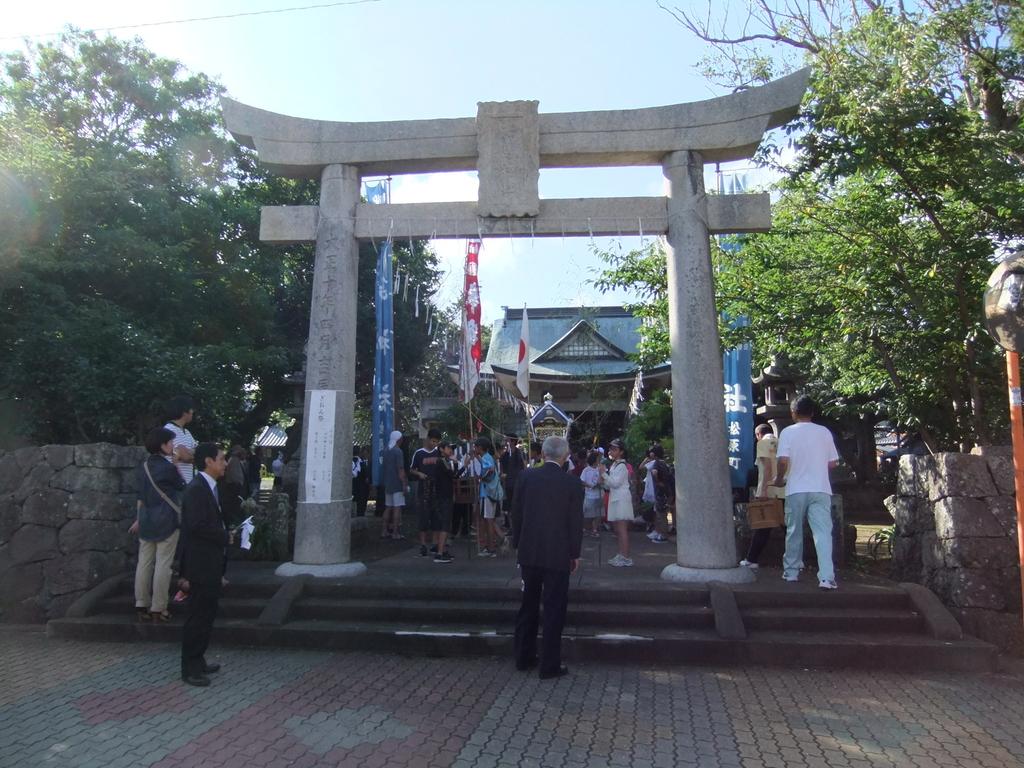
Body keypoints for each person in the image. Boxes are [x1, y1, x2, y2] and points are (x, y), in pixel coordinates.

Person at [511, 435, 584, 679]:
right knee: (554, 609)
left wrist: (517, 544)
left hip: (529, 551)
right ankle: (549, 664)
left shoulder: (526, 477)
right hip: (558, 553)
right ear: (565, 457)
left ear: (543, 454)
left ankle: (523, 656)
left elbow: (517, 513)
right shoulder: (572, 484)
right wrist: (575, 554)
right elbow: (575, 523)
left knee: (528, 605)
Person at [774, 395, 841, 590]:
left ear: (793, 413)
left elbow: (783, 460)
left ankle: (791, 572)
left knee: (794, 531)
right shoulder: (824, 432)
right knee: (823, 533)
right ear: (813, 412)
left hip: (796, 488)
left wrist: (779, 478)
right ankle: (827, 577)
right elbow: (833, 462)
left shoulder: (788, 432)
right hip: (821, 488)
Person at [179, 443, 230, 687]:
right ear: (208, 461)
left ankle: (198, 660)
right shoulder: (196, 489)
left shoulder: (209, 488)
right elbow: (196, 526)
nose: (225, 463)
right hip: (199, 563)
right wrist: (224, 535)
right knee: (196, 616)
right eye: (222, 459)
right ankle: (189, 667)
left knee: (206, 615)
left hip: (211, 561)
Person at [131, 427, 185, 623]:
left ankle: (140, 602)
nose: (172, 445)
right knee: (163, 563)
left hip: (146, 518)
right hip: (166, 519)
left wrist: (138, 518)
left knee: (144, 563)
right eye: (170, 442)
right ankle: (159, 607)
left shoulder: (143, 467)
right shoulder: (168, 468)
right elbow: (182, 486)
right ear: (162, 445)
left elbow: (141, 496)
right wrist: (176, 464)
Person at [740, 424, 786, 569]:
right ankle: (797, 560)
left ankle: (752, 559)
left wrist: (764, 490)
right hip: (785, 490)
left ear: (758, 434)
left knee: (763, 527)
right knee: (788, 528)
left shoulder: (763, 444)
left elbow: (766, 467)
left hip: (770, 491)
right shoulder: (783, 443)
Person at [410, 428, 443, 557]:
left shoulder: (439, 453)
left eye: (437, 442)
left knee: (436, 516)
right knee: (423, 517)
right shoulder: (419, 453)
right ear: (428, 439)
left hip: (436, 489)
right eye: (433, 441)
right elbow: (412, 470)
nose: (435, 444)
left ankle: (435, 543)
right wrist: (419, 474)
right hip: (423, 489)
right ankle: (423, 544)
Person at [602, 439, 633, 566]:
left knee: (621, 529)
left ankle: (625, 557)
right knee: (617, 529)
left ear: (621, 452)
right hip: (615, 498)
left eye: (614, 449)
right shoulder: (614, 465)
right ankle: (621, 554)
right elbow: (609, 484)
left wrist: (603, 474)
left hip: (621, 499)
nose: (611, 451)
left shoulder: (622, 466)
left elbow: (615, 483)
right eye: (611, 449)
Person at [430, 442, 458, 563]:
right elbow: (453, 475)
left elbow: (453, 476)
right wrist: (457, 464)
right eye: (448, 448)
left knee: (446, 523)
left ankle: (442, 550)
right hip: (443, 497)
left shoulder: (444, 462)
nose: (451, 450)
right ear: (441, 449)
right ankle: (440, 553)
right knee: (444, 525)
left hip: (445, 496)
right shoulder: (441, 462)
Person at [475, 436, 502, 556]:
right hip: (488, 493)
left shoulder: (487, 458)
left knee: (489, 521)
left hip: (487, 492)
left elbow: (487, 470)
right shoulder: (487, 457)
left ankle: (491, 548)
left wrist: (480, 477)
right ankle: (488, 546)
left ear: (480, 447)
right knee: (487, 521)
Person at [163, 395, 197, 484]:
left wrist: (186, 452)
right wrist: (188, 453)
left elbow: (198, 453)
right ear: (184, 412)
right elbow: (185, 456)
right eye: (191, 409)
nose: (192, 412)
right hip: (174, 484)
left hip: (188, 484)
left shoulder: (187, 432)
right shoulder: (169, 430)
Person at [381, 430, 407, 539]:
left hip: (388, 483)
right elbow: (400, 469)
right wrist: (404, 484)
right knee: (397, 508)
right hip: (397, 484)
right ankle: (395, 533)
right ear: (399, 439)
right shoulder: (398, 451)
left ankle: (384, 531)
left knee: (388, 507)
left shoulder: (386, 450)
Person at [647, 445, 674, 544]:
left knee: (661, 514)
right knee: (662, 513)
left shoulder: (657, 464)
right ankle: (662, 533)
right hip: (666, 491)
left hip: (660, 492)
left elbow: (655, 473)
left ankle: (663, 535)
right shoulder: (664, 463)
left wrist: (658, 481)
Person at [579, 451, 604, 537]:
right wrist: (590, 485)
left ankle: (594, 529)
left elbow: (604, 478)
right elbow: (581, 480)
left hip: (599, 494)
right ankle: (584, 528)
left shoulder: (600, 468)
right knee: (588, 514)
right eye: (598, 459)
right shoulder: (586, 470)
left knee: (598, 514)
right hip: (589, 495)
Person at [221, 445, 246, 526]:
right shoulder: (233, 460)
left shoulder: (237, 460)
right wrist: (238, 484)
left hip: (236, 487)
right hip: (234, 488)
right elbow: (234, 476)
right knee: (235, 509)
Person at [352, 446, 370, 517]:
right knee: (361, 503)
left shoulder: (349, 461)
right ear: (360, 452)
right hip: (362, 487)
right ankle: (361, 516)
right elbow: (365, 476)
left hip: (352, 486)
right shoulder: (361, 462)